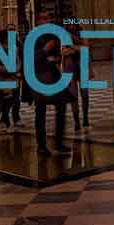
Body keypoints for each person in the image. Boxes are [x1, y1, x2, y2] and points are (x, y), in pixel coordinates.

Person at [32, 11, 71, 156]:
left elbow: (58, 55)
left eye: (49, 18)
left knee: (61, 106)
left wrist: (56, 58)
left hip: (53, 77)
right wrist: (44, 51)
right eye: (44, 18)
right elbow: (30, 58)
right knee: (40, 111)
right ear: (37, 21)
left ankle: (59, 142)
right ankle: (41, 145)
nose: (48, 21)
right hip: (39, 78)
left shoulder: (52, 37)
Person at [61, 33, 83, 132]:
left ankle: (85, 118)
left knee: (84, 95)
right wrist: (74, 49)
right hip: (69, 72)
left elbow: (85, 48)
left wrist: (73, 48)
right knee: (74, 96)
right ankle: (76, 120)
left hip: (80, 69)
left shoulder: (80, 34)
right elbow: (63, 52)